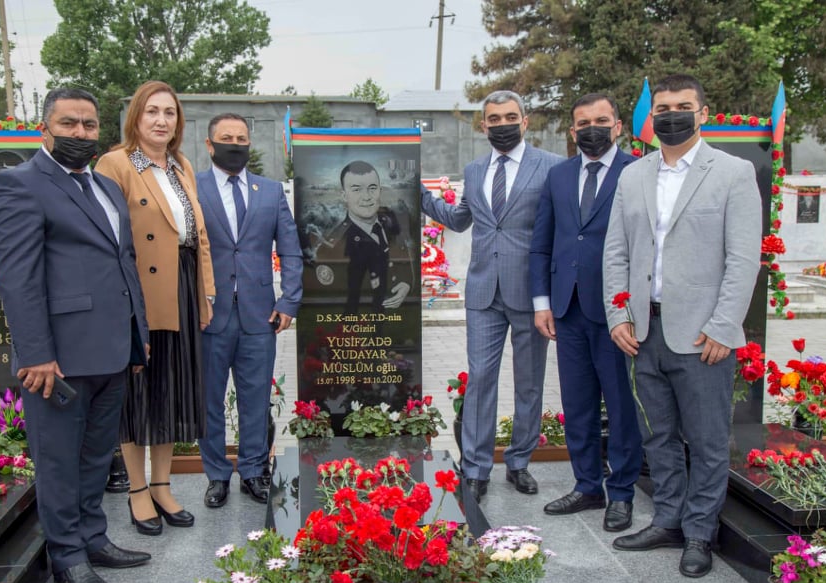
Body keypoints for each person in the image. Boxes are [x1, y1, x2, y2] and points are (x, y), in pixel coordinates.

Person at [0, 87, 151, 583]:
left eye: (89, 124)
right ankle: (67, 557)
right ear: (45, 129)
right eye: (69, 124)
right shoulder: (19, 184)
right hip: (57, 358)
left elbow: (122, 262)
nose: (80, 133)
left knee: (97, 455)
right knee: (59, 460)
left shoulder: (106, 186)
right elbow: (17, 278)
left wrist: (137, 335)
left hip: (112, 349)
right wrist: (36, 353)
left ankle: (94, 539)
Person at [603, 74, 761, 577]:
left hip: (702, 336)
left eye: (682, 107)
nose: (672, 116)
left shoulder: (733, 173)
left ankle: (698, 533)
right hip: (643, 333)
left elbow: (743, 259)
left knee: (708, 441)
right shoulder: (633, 175)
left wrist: (723, 326)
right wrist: (618, 315)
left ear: (703, 113)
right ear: (652, 117)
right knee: (658, 437)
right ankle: (668, 519)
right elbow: (616, 252)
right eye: (664, 108)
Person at [420, 90, 564, 502]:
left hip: (531, 294)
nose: (502, 124)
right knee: (480, 378)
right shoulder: (475, 169)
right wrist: (421, 196)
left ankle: (519, 462)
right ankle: (476, 468)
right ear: (483, 125)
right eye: (494, 118)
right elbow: (459, 220)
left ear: (525, 121)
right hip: (483, 292)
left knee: (529, 382)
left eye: (510, 117)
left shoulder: (551, 167)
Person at [94, 80, 216, 535]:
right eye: (152, 112)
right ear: (136, 118)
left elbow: (198, 238)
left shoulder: (182, 164)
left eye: (169, 112)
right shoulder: (115, 163)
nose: (162, 120)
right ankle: (138, 490)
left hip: (181, 286)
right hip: (140, 292)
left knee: (171, 389)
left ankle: (163, 486)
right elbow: (107, 239)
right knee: (139, 392)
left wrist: (205, 292)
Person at [530, 93, 642, 532]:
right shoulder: (558, 176)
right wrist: (542, 303)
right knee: (576, 404)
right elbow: (543, 243)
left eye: (601, 120)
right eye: (583, 122)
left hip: (616, 311)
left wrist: (630, 307)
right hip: (567, 308)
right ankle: (587, 485)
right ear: (572, 130)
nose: (591, 128)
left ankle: (623, 492)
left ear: (617, 126)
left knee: (620, 404)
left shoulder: (637, 171)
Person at [195, 113, 302, 506]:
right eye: (227, 138)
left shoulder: (270, 191)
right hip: (208, 315)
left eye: (241, 138)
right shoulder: (192, 188)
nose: (235, 144)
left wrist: (289, 299)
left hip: (260, 315)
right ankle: (216, 475)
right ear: (210, 144)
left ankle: (254, 471)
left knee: (255, 399)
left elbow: (290, 249)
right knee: (209, 400)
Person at [309, 160, 414, 313]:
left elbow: (401, 253)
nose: (367, 197)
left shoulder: (389, 221)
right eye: (356, 189)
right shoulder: (335, 243)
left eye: (372, 188)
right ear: (344, 196)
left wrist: (406, 282)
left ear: (380, 191)